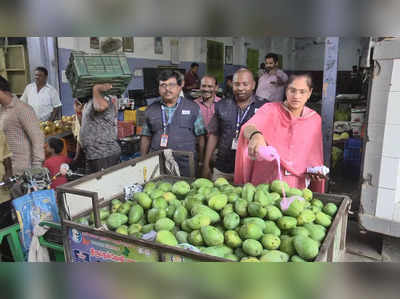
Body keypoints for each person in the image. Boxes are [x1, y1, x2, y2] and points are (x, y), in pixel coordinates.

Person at [234, 73, 326, 192]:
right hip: (265, 184)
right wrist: (255, 135)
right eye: (292, 90)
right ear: (286, 90)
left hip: (296, 187)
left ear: (309, 93)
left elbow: (314, 157)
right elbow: (248, 127)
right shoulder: (270, 110)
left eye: (302, 92)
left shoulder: (314, 120)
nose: (296, 96)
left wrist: (315, 171)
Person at [202, 68, 267, 182]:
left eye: (245, 84)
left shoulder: (264, 107)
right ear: (232, 85)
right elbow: (214, 135)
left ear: (253, 85)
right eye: (237, 84)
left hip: (251, 169)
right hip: (223, 168)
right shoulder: (222, 105)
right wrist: (206, 164)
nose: (241, 88)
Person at [140, 70, 206, 177]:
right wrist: (142, 160)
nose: (167, 89)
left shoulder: (193, 107)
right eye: (163, 85)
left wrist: (201, 161)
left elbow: (201, 137)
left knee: (185, 189)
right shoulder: (151, 109)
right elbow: (145, 137)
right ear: (159, 88)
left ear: (180, 87)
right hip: (157, 159)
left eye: (171, 85)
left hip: (185, 161)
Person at [0, 76, 44, 176]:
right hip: (10, 169)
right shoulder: (2, 110)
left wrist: (37, 166)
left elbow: (37, 138)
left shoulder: (23, 109)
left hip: (25, 169)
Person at [79, 84, 121, 174]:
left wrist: (96, 88)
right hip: (94, 154)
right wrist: (79, 112)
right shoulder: (92, 101)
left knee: (105, 185)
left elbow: (101, 107)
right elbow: (88, 124)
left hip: (104, 154)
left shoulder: (104, 98)